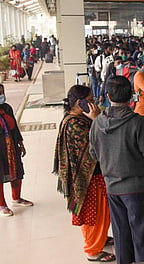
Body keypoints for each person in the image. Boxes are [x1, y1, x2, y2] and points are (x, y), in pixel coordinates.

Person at [89, 76, 144, 264]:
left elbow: (93, 154)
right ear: (131, 96)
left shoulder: (97, 122)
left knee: (121, 236)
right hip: (139, 188)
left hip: (112, 187)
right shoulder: (137, 123)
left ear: (107, 96)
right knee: (143, 237)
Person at [53, 85, 115, 262]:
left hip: (94, 175)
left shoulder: (79, 118)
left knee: (102, 211)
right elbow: (98, 143)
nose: (93, 104)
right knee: (94, 214)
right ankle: (93, 249)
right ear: (79, 103)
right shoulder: (75, 124)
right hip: (87, 178)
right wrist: (96, 120)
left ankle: (100, 238)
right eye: (90, 101)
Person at [0, 84, 33, 217]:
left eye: (2, 93)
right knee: (0, 175)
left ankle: (16, 198)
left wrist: (20, 142)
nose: (1, 96)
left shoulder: (7, 108)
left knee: (17, 171)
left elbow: (14, 127)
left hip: (11, 146)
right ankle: (2, 205)